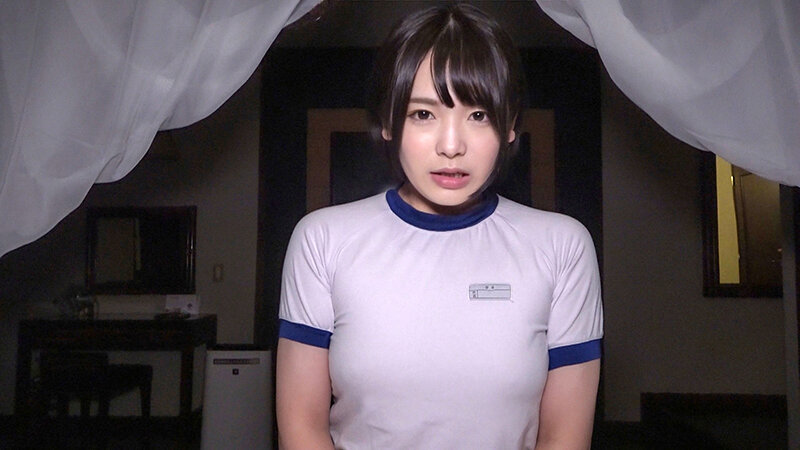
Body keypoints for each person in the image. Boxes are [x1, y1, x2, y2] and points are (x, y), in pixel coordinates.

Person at [276, 4, 603, 449]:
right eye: (424, 114)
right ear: (389, 122)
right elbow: (302, 427)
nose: (451, 146)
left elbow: (565, 437)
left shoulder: (562, 247)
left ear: (510, 126)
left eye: (478, 115)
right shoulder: (322, 241)